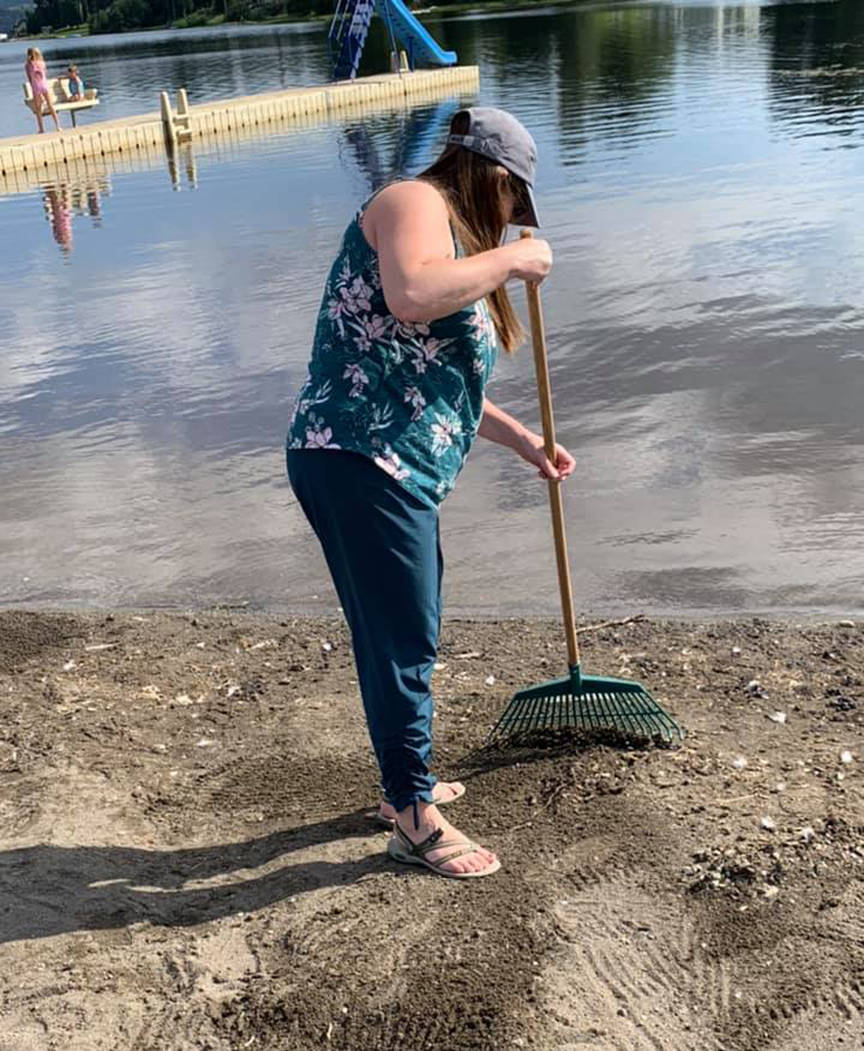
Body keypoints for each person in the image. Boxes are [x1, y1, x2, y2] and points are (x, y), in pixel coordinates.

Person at [286, 107, 575, 880]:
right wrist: (514, 265)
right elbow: (412, 294)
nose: (514, 221)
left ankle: (400, 789)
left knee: (394, 632)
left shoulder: (453, 246)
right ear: (495, 177)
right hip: (358, 457)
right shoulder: (416, 203)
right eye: (515, 201)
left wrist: (528, 445)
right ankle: (414, 816)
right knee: (406, 636)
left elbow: (437, 385)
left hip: (380, 461)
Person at [25, 47, 60, 134]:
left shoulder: (28, 65)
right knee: (50, 106)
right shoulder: (42, 63)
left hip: (36, 87)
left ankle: (41, 129)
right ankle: (58, 126)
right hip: (44, 85)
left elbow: (29, 78)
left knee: (38, 109)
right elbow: (44, 75)